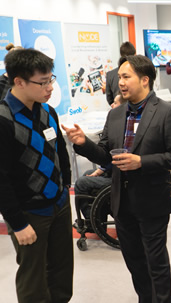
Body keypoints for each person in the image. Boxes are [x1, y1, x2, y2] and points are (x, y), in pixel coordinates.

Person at [62, 55, 171, 303]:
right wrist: (84, 143)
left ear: (145, 80)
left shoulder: (166, 112)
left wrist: (142, 162)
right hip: (121, 201)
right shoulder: (116, 115)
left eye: (126, 77)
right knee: (135, 261)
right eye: (119, 78)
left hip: (152, 202)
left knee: (156, 262)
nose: (121, 83)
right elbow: (105, 155)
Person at [0, 48, 72, 303]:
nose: (49, 88)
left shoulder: (47, 111)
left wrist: (66, 186)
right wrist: (17, 223)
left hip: (60, 205)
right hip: (29, 214)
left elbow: (60, 152)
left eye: (51, 79)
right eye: (42, 82)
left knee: (62, 276)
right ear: (18, 81)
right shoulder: (4, 119)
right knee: (34, 281)